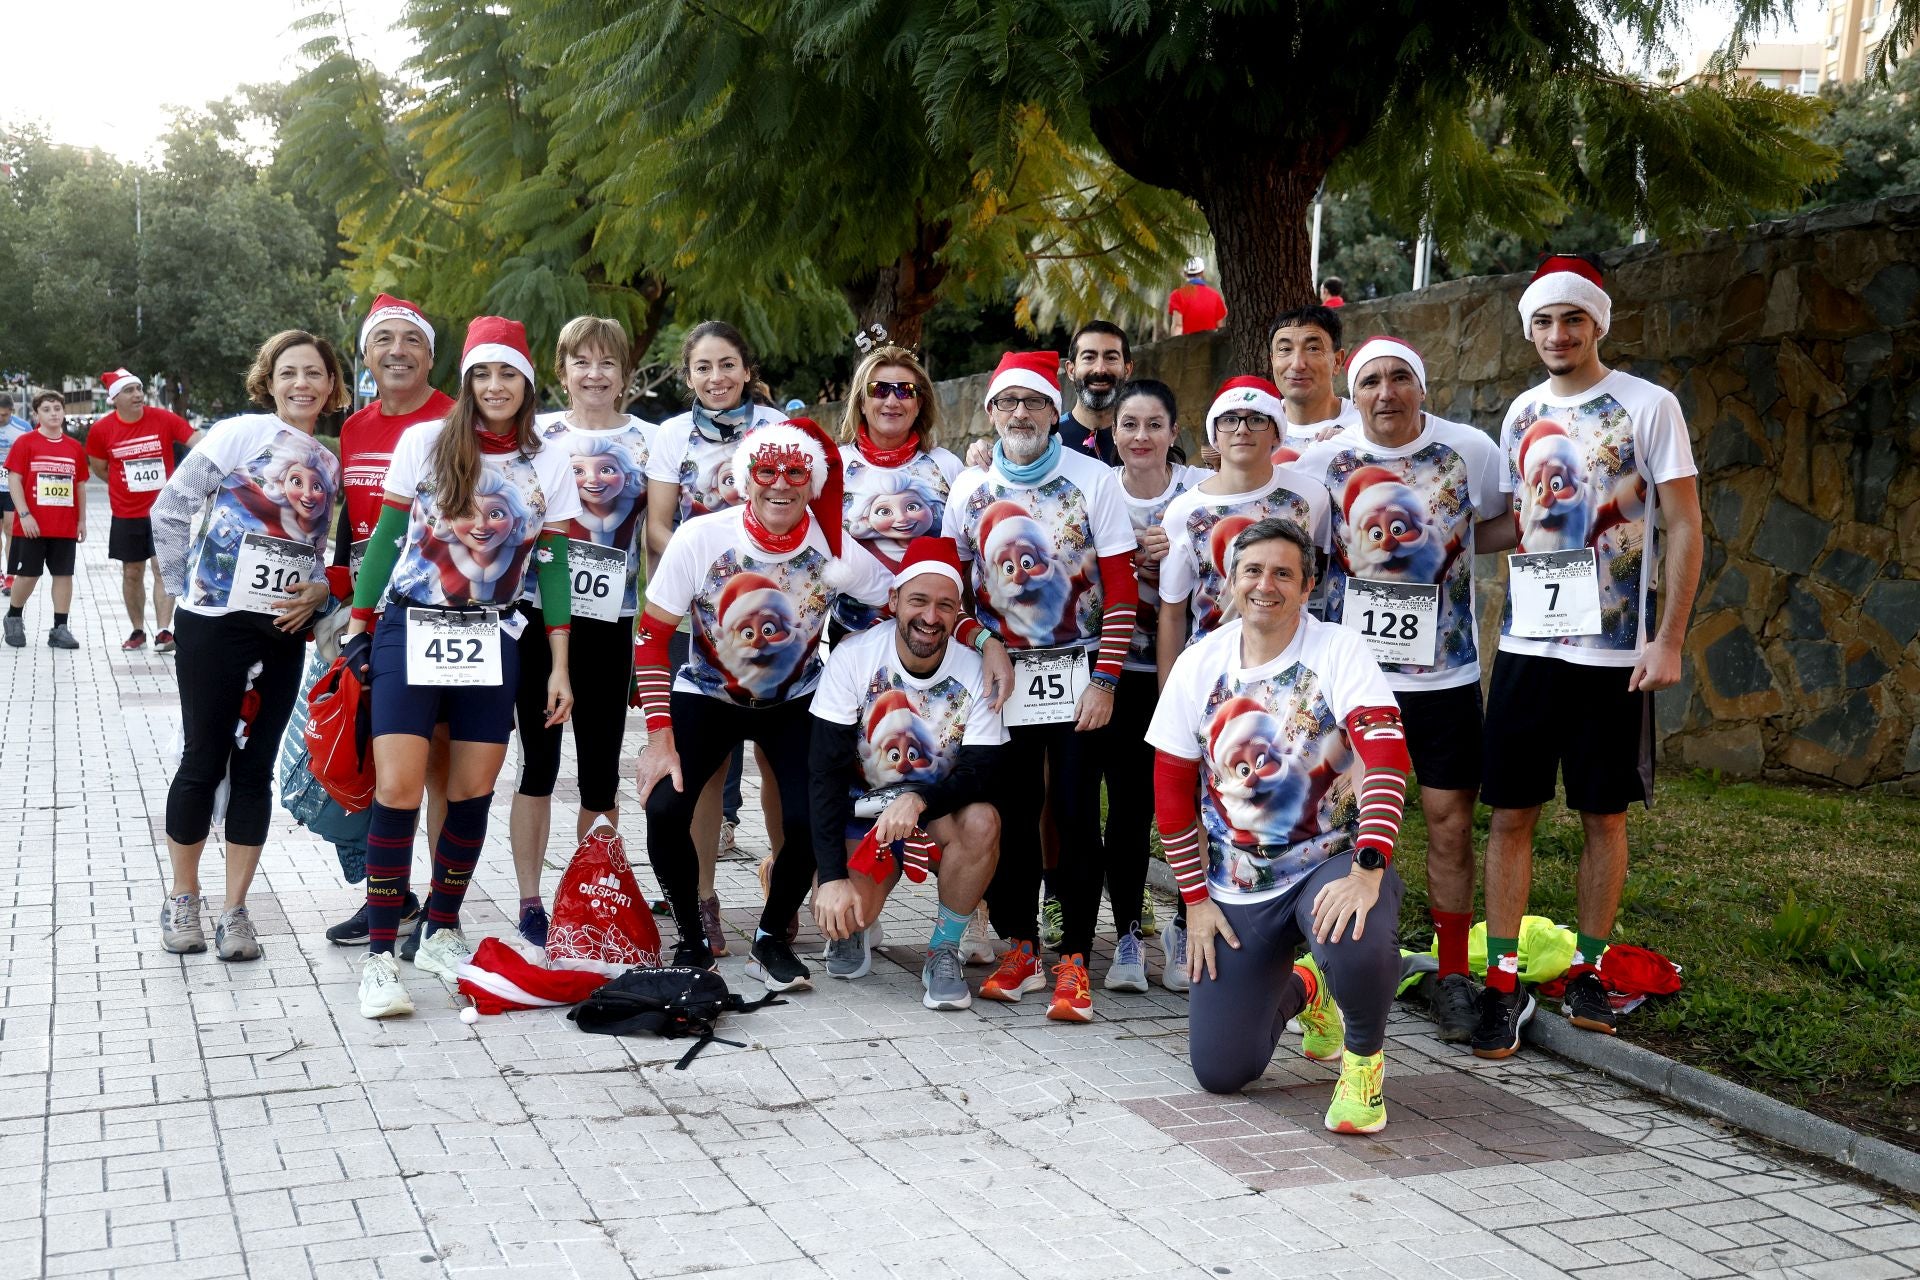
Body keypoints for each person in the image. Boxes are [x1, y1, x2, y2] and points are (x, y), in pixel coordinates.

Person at [1473, 255, 1701, 1057]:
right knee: (1510, 815)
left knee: (1602, 815)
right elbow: (1510, 522)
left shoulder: (1648, 406)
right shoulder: (1522, 411)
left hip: (1613, 657)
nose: (1557, 334)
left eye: (1572, 319)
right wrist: (1425, 541)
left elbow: (1684, 526)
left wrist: (1667, 638)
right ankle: (1503, 986)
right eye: (1542, 322)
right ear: (1529, 330)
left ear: (1598, 322)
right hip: (1528, 645)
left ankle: (1594, 968)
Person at [342, 317, 580, 1020]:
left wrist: (559, 665)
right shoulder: (426, 441)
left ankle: (441, 928)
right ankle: (381, 957)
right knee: (399, 785)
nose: (495, 386)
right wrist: (357, 625)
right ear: (469, 381)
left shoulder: (549, 461)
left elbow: (554, 565)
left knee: (473, 788)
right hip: (410, 628)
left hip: (492, 636)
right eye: (483, 373)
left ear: (529, 384)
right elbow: (387, 538)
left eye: (508, 374)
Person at [1148, 517, 1412, 1133]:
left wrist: (1369, 868)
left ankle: (1364, 1064)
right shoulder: (1199, 662)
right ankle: (1305, 988)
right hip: (1236, 883)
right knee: (1222, 1071)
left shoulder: (1337, 650)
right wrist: (1195, 901)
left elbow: (1389, 753)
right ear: (1231, 581)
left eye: (1283, 573)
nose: (1266, 584)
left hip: (1328, 861)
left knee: (1356, 931)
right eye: (1253, 571)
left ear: (1308, 585)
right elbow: (1169, 788)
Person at [1296, 337, 1512, 1043]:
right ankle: (1324, 966)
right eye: (1370, 383)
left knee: (1449, 823)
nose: (1385, 393)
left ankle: (1452, 975)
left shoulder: (1469, 451)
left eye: (1399, 380)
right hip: (1350, 677)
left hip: (1444, 677)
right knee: (1334, 822)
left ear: (1422, 387)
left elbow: (1501, 522)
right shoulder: (1325, 460)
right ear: (1351, 394)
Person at [633, 418, 892, 987]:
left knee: (808, 818)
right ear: (744, 479)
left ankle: (772, 938)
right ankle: (691, 937)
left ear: (812, 481)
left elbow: (904, 604)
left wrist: (974, 641)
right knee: (664, 810)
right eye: (766, 471)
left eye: (795, 472)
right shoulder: (702, 536)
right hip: (706, 692)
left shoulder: (835, 546)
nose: (780, 483)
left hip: (797, 698)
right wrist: (659, 736)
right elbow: (651, 638)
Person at [941, 351, 1140, 1021]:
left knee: (1079, 815)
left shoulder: (1094, 480)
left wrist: (1107, 679)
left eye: (1033, 402)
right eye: (1008, 403)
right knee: (1013, 814)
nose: (1020, 413)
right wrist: (984, 643)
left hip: (1079, 672)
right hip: (1003, 680)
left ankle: (1077, 957)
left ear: (1056, 411)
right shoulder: (968, 491)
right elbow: (951, 596)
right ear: (991, 413)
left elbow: (1121, 592)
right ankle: (1021, 944)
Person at [150, 331, 346, 960]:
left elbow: (315, 551)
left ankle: (235, 912)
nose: (301, 385)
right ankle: (183, 898)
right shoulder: (242, 433)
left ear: (331, 385)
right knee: (203, 756)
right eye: (289, 372)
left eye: (314, 374)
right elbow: (170, 508)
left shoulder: (329, 464)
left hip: (282, 629)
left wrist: (318, 591)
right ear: (270, 379)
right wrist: (186, 592)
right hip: (213, 623)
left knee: (255, 767)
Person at [809, 537, 1007, 1008]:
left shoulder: (976, 669)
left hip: (936, 811)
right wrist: (833, 876)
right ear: (894, 600)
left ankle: (942, 948)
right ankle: (849, 921)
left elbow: (980, 773)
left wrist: (919, 799)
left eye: (944, 605)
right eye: (918, 600)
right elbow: (824, 773)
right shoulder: (855, 657)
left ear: (958, 612)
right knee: (848, 913)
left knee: (983, 821)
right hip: (865, 814)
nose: (930, 616)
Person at [644, 321, 789, 957]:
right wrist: (702, 574)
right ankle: (702, 902)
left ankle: (782, 899)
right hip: (696, 614)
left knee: (776, 765)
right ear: (688, 374)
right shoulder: (671, 436)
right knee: (704, 771)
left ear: (747, 367)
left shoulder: (779, 428)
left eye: (727, 364)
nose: (716, 378)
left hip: (774, 618)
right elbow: (657, 525)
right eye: (703, 367)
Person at [321, 294, 458, 951]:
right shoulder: (354, 428)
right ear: (368, 355)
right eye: (384, 340)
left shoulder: (457, 421)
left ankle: (438, 910)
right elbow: (354, 524)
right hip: (368, 617)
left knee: (437, 765)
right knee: (378, 762)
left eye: (411, 340)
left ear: (432, 355)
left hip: (442, 616)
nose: (397, 350)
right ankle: (390, 897)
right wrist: (345, 605)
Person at [510, 315, 653, 947]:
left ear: (625, 374)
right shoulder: (535, 438)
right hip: (537, 619)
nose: (594, 375)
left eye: (607, 363)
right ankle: (529, 899)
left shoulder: (649, 442)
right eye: (581, 363)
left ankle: (596, 890)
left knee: (600, 769)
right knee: (536, 764)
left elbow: (656, 539)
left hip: (612, 623)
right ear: (561, 372)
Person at [1108, 379, 1210, 993]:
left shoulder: (1199, 488)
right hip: (1119, 673)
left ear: (1174, 432)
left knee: (1192, 806)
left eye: (1154, 425)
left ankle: (1181, 925)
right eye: (1129, 425)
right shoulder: (1098, 491)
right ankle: (1125, 934)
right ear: (1113, 433)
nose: (1141, 437)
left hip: (1192, 675)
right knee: (1127, 809)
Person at [1157, 376, 1331, 680]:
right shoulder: (1184, 512)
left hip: (1296, 669)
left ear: (1277, 433)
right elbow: (1172, 616)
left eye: (1257, 419)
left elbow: (1321, 577)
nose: (1242, 429)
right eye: (1230, 419)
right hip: (1212, 671)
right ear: (1215, 434)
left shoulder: (1310, 498)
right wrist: (1166, 703)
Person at [85, 366, 203, 652]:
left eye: (139, 389)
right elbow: (99, 467)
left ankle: (164, 630)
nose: (137, 394)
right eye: (129, 390)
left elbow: (196, 441)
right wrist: (124, 486)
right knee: (132, 572)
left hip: (164, 509)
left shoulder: (162, 418)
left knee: (162, 568)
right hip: (126, 513)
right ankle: (137, 630)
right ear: (115, 398)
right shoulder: (101, 430)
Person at [5, 391, 90, 650]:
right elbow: (14, 480)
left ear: (63, 412)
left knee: (63, 574)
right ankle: (14, 616)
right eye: (47, 409)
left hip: (64, 524)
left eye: (57, 408)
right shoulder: (26, 443)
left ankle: (60, 627)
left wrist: (82, 521)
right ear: (36, 415)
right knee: (28, 575)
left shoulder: (74, 447)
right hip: (32, 525)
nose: (54, 413)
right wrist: (24, 514)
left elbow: (81, 487)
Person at [1269, 305, 1361, 449]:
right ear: (1272, 360)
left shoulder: (1365, 427)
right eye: (1285, 349)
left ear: (1337, 361)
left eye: (1313, 348)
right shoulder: (1254, 427)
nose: (1297, 365)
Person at [1058, 322, 1132, 465]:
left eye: (1111, 358)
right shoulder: (1050, 439)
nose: (1100, 369)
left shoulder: (1142, 442)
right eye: (1089, 358)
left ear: (1127, 370)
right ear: (1071, 370)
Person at [0, 394, 34, 588]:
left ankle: (11, 574)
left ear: (12, 412)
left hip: (12, 486)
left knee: (10, 529)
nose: (0, 419)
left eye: (4, 415)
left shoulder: (23, 428)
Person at [1169, 256, 1228, 336]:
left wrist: (1175, 346)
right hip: (1210, 346)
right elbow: (1220, 328)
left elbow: (1177, 326)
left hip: (1187, 346)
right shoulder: (1215, 296)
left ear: (1185, 274)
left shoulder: (1177, 295)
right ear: (1202, 273)